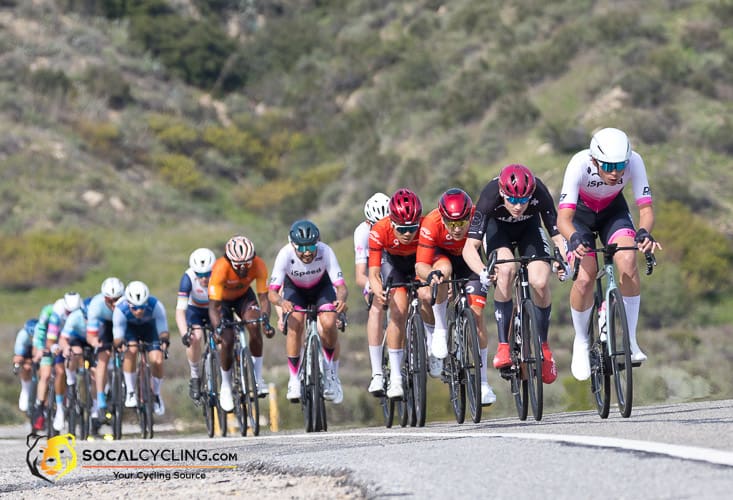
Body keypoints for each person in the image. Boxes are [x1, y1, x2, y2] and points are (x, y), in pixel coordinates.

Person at [557, 127, 662, 380]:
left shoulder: (635, 161)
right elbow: (563, 219)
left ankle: (631, 340)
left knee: (627, 259)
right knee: (585, 277)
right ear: (594, 161)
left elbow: (646, 210)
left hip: (612, 212)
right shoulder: (579, 164)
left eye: (620, 166)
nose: (616, 173)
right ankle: (581, 341)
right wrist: (574, 238)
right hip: (578, 218)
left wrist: (644, 233)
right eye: (609, 166)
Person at [463, 164, 566, 385]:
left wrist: (564, 262)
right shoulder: (490, 195)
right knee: (507, 269)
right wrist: (482, 271)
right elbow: (469, 247)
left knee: (539, 281)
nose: (517, 206)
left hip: (530, 230)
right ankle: (503, 346)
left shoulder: (540, 192)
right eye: (511, 200)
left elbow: (557, 235)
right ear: (502, 192)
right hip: (497, 231)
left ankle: (545, 349)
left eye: (523, 201)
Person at [416, 188, 497, 405]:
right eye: (451, 224)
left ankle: (482, 383)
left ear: (469, 216)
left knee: (477, 315)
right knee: (442, 271)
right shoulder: (431, 223)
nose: (457, 229)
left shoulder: (478, 217)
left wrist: (491, 271)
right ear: (442, 217)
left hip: (470, 261)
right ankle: (441, 328)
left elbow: (491, 249)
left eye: (462, 222)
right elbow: (421, 264)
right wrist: (431, 275)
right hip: (442, 258)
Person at [268, 220, 348, 404]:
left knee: (328, 323)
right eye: (301, 247)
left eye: (311, 246)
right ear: (293, 245)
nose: (307, 252)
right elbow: (272, 292)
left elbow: (341, 287)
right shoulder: (284, 254)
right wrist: (282, 302)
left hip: (322, 288)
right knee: (294, 322)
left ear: (317, 242)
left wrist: (341, 300)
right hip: (295, 290)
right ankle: (294, 379)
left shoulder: (325, 251)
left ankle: (330, 373)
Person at [367, 188, 432, 400]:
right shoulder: (379, 229)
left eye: (412, 228)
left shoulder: (426, 226)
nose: (407, 234)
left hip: (418, 262)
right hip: (392, 265)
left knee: (426, 295)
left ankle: (430, 344)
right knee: (399, 310)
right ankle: (395, 378)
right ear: (391, 222)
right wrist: (377, 289)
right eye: (402, 229)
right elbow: (374, 272)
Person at [208, 236, 273, 413]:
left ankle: (257, 378)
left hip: (244, 297)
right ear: (230, 261)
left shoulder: (259, 265)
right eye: (238, 265)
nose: (243, 268)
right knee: (227, 340)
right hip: (222, 302)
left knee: (254, 325)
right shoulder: (221, 268)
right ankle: (227, 387)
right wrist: (218, 328)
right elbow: (213, 308)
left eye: (247, 264)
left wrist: (265, 320)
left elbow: (264, 299)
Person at [112, 281, 170, 416]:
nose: (139, 311)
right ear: (128, 304)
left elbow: (163, 330)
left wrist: (164, 341)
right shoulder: (120, 309)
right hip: (130, 330)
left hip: (150, 329)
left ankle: (156, 395)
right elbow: (117, 337)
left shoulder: (156, 305)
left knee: (157, 359)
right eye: (134, 308)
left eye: (142, 307)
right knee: (131, 351)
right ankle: (131, 391)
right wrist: (121, 345)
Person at [354, 192, 391, 395]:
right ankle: (377, 373)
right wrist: (372, 286)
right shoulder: (361, 232)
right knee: (376, 308)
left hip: (392, 267)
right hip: (373, 273)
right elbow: (360, 275)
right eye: (374, 225)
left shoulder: (396, 227)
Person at [31, 292, 82, 432]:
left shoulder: (81, 312)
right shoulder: (54, 313)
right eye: (69, 312)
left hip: (70, 338)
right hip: (49, 339)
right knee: (47, 374)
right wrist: (46, 349)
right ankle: (40, 407)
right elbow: (48, 336)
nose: (71, 314)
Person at [176, 248, 216, 401]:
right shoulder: (187, 278)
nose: (204, 278)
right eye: (200, 275)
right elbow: (180, 311)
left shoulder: (219, 274)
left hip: (215, 307)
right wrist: (184, 333)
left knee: (225, 337)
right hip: (195, 310)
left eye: (207, 274)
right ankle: (195, 376)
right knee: (195, 337)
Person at [85, 276, 124, 431]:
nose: (114, 304)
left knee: (131, 350)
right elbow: (91, 335)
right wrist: (96, 343)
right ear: (104, 298)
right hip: (106, 327)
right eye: (110, 300)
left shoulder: (127, 302)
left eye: (117, 299)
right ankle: (101, 400)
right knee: (103, 357)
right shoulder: (96, 305)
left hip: (123, 323)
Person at [13, 318, 38, 413]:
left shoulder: (42, 333)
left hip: (39, 349)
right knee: (24, 366)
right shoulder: (22, 335)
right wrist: (20, 363)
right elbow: (18, 356)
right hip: (26, 351)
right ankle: (25, 389)